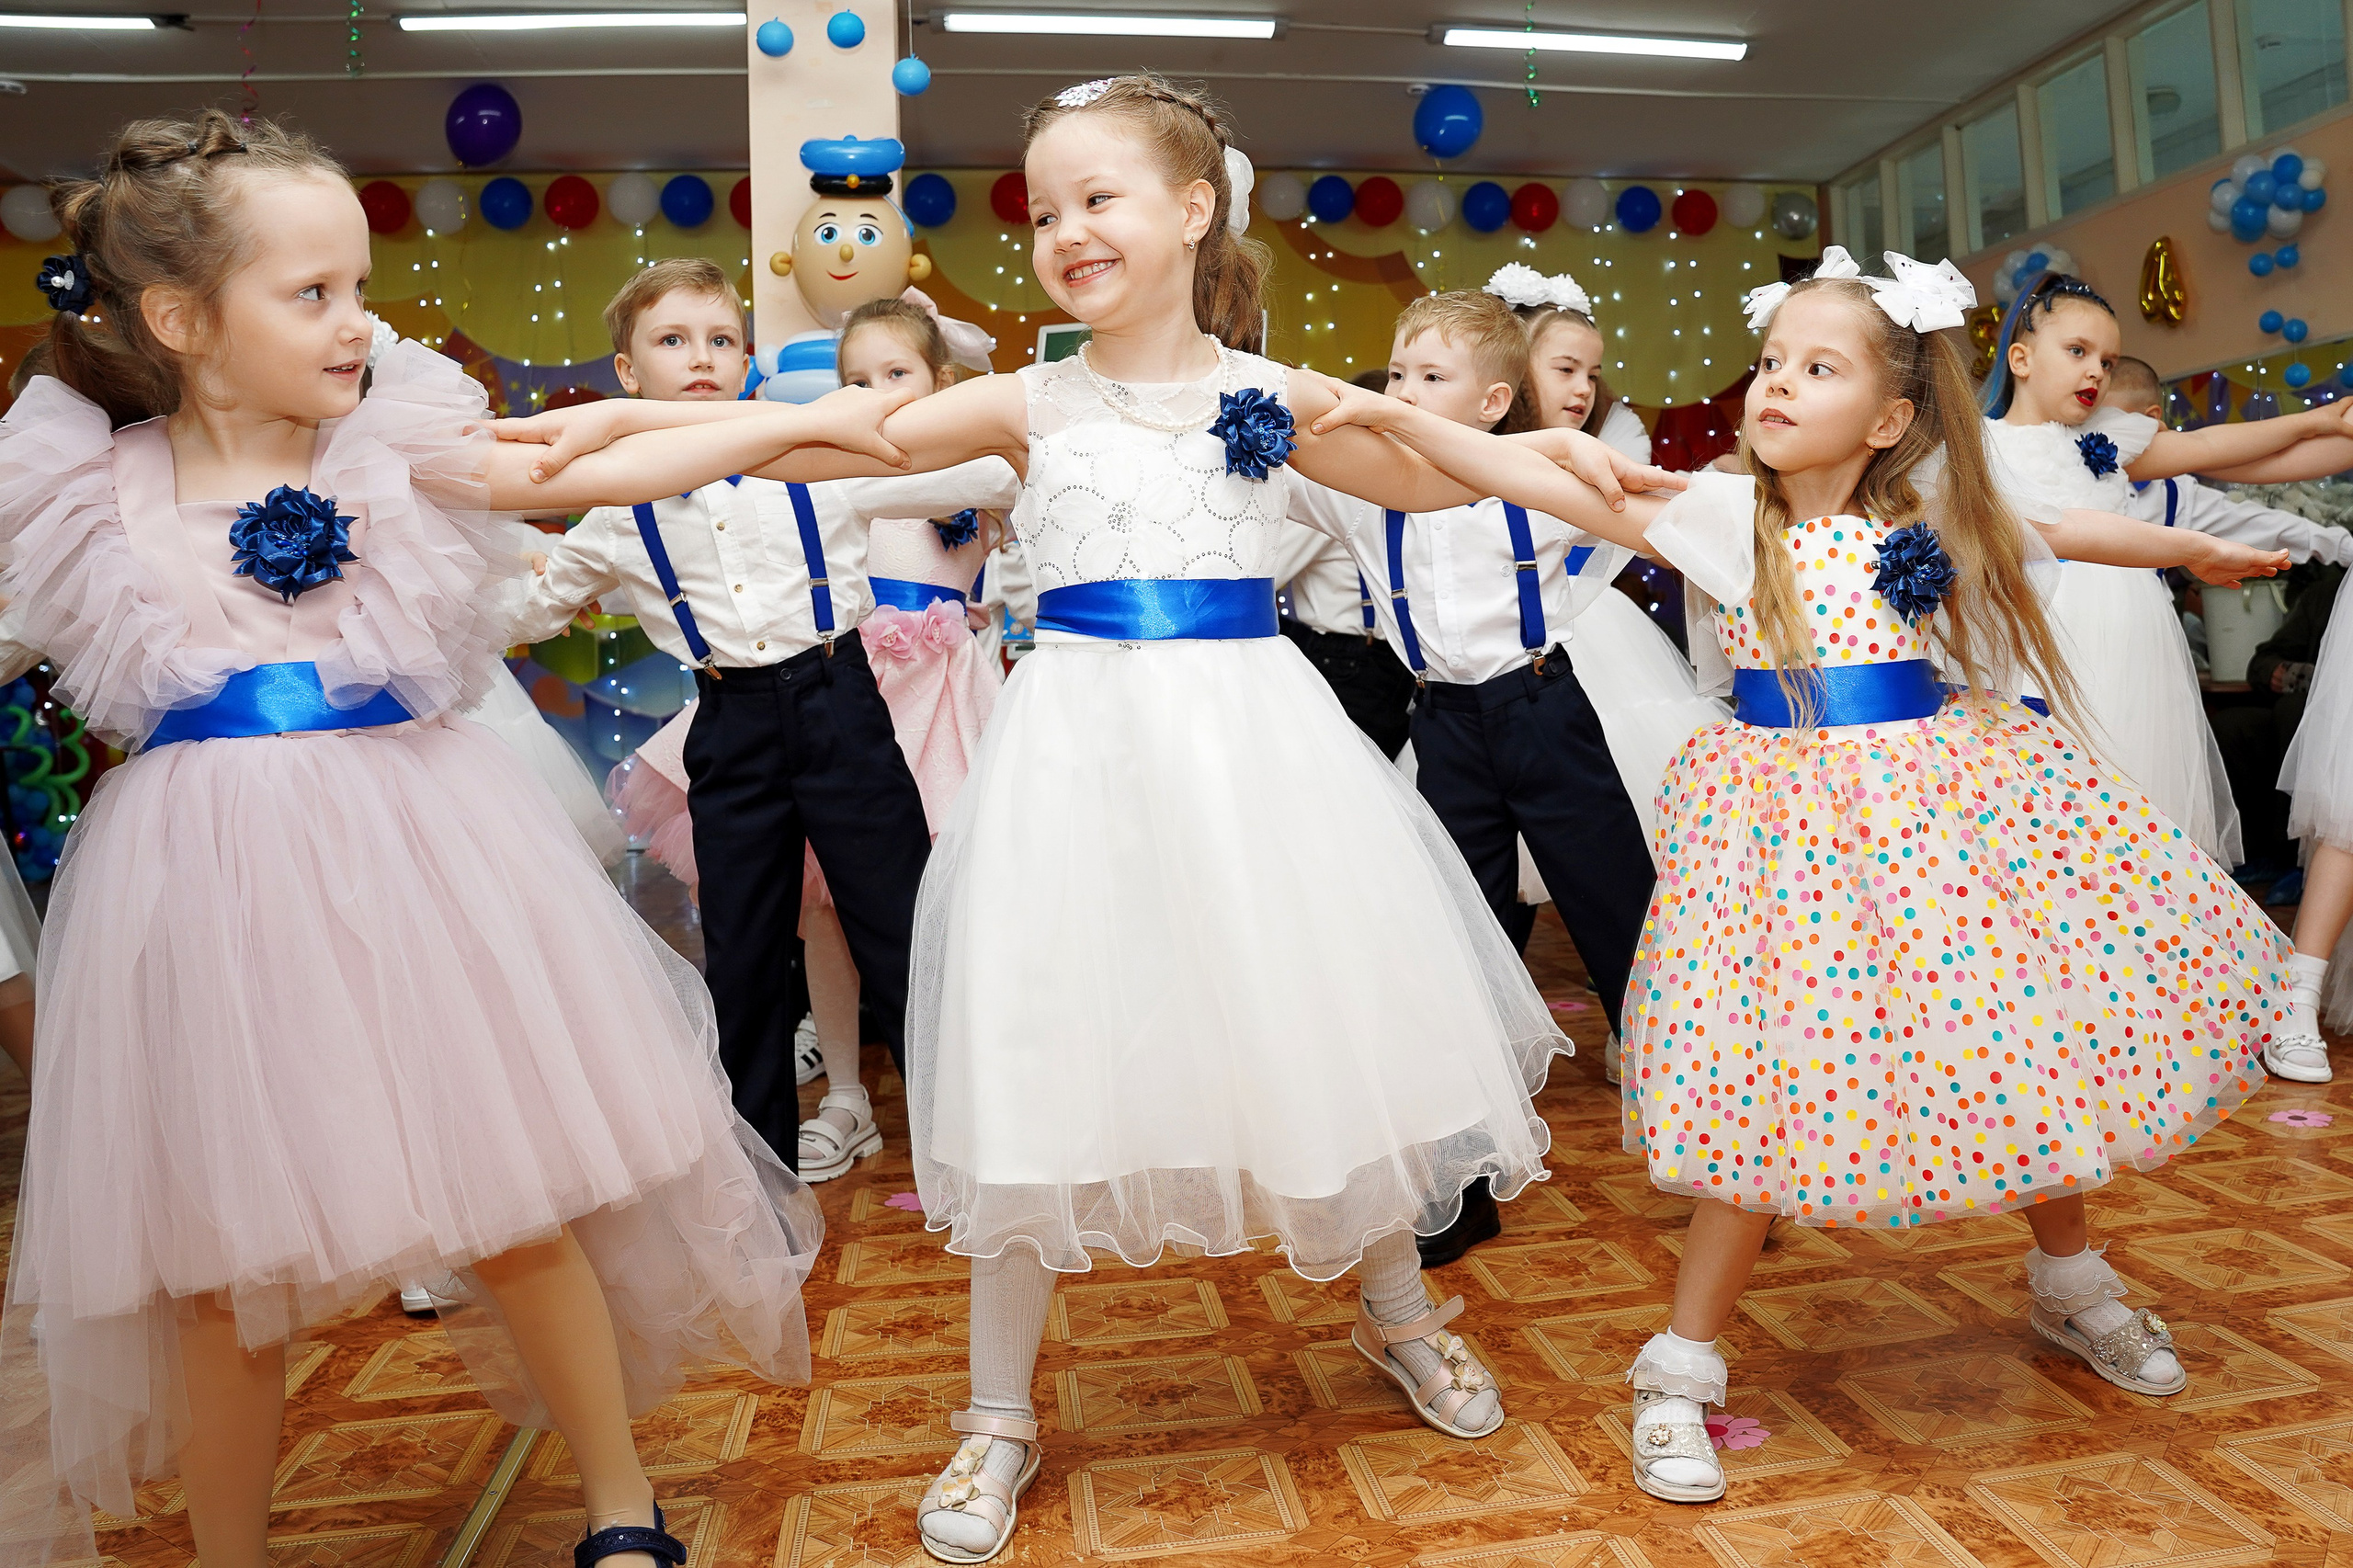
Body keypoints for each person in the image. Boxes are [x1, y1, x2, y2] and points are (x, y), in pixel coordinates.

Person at [492, 73, 1676, 1564]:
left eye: (1097, 197)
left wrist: (1617, 487)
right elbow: (791, 446)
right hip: (1079, 765)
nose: (1063, 229)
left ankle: (1398, 1312)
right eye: (1042, 208)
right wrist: (565, 447)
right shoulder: (1029, 399)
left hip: (1263, 759)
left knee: (1320, 1029)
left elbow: (1441, 478)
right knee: (1047, 1059)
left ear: (1193, 212)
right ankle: (996, 1411)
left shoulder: (1268, 396)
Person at [0, 110, 929, 1568]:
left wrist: (845, 426)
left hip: (413, 848)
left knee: (512, 1196)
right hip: (202, 881)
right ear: (180, 318)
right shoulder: (83, 489)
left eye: (359, 287)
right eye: (313, 295)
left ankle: (620, 1491)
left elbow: (588, 469)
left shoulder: (392, 450)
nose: (357, 322)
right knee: (212, 1266)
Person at [1305, 245, 2295, 1506]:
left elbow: (2056, 528)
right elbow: (1502, 467)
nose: (1775, 384)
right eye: (1772, 361)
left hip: (1943, 825)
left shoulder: (1925, 520)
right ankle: (1681, 1363)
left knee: (2018, 1043)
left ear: (1888, 417)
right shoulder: (1725, 516)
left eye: (1815, 368)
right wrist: (1387, 409)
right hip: (1790, 846)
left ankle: (2073, 1281)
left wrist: (2186, 558)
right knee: (1770, 1079)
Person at [510, 259, 1013, 1173]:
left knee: (898, 924)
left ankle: (968, 1149)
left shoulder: (814, 460)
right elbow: (529, 610)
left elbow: (967, 475)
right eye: (671, 341)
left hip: (842, 706)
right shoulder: (619, 509)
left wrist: (1001, 449)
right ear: (626, 376)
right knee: (743, 956)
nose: (699, 358)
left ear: (747, 358)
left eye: (720, 339)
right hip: (730, 725)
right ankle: (764, 1173)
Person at [1281, 289, 1660, 1266]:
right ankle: (1463, 1180)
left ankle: (1713, 1138)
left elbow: (1633, 510)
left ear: (1494, 403)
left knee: (1622, 913)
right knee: (1455, 940)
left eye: (1430, 377)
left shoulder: (1527, 485)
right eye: (1398, 372)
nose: (1402, 390)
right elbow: (1277, 471)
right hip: (1444, 724)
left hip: (1542, 711)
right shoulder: (1358, 491)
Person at [1979, 267, 2353, 868]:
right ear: (2020, 358)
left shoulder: (2108, 438)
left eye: (2107, 359)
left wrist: (2320, 420)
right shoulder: (1978, 449)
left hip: (2128, 639)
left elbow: (2210, 448)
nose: (2096, 371)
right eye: (2078, 351)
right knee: (2042, 810)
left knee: (2134, 796)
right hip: (2035, 638)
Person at [1265, 366, 1417, 759]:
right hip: (1341, 656)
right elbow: (1268, 570)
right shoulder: (1332, 490)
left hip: (1394, 661)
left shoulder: (1404, 486)